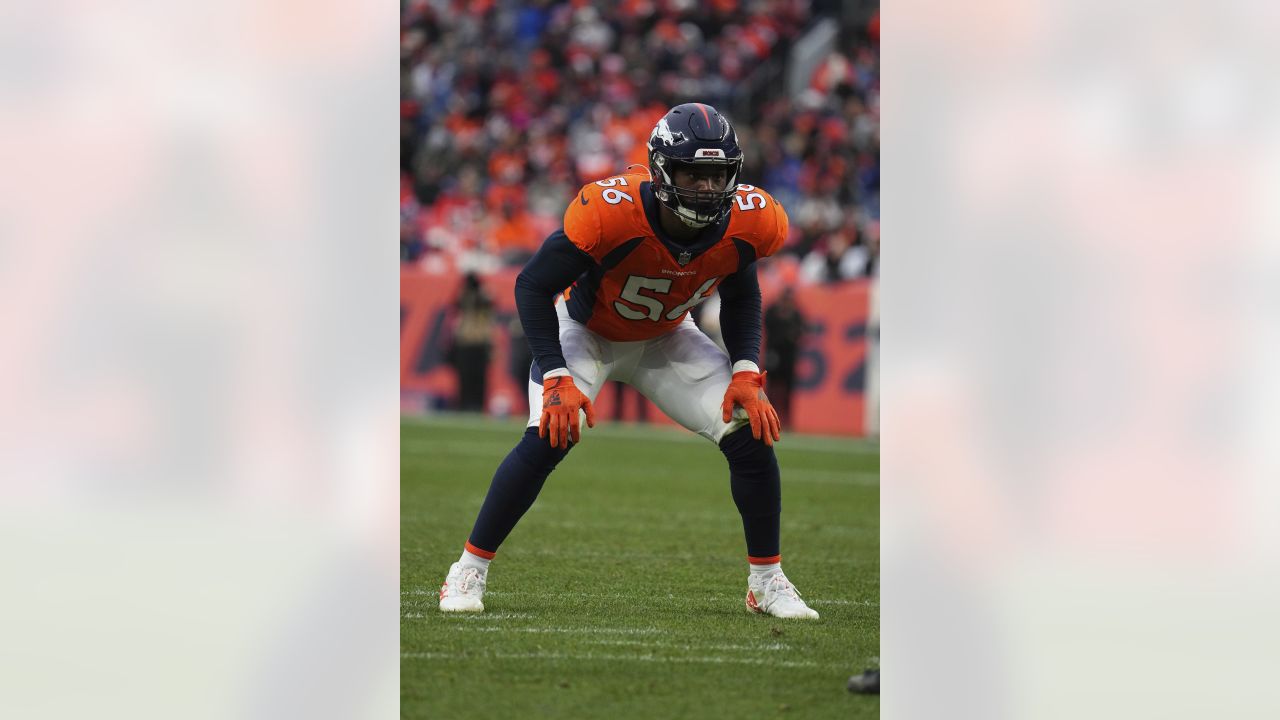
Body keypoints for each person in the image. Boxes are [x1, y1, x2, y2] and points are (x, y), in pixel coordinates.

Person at [437, 103, 820, 620]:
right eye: (692, 174)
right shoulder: (611, 209)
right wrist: (554, 374)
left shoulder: (753, 219)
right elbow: (532, 285)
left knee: (749, 429)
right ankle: (468, 568)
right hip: (587, 333)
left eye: (717, 175)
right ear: (662, 170)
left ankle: (767, 582)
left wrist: (746, 368)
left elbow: (743, 292)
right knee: (553, 429)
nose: (707, 188)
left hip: (666, 335)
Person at [449, 273, 494, 412]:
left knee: (479, 378)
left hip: (479, 343)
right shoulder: (463, 298)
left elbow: (489, 302)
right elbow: (456, 304)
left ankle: (478, 406)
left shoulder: (484, 297)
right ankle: (463, 405)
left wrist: (479, 290)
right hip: (465, 343)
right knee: (464, 377)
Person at [764, 287, 806, 429]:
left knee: (788, 388)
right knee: (771, 387)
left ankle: (787, 420)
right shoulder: (773, 310)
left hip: (788, 355)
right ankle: (768, 416)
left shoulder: (795, 313)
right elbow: (767, 325)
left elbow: (802, 331)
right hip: (774, 352)